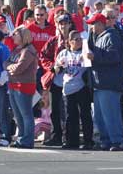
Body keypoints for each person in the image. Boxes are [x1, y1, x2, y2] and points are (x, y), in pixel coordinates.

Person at [86, 13, 123, 151]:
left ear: (100, 24)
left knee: (111, 114)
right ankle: (106, 140)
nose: (91, 27)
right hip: (99, 83)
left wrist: (95, 56)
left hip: (109, 83)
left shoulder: (111, 36)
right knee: (100, 116)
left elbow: (115, 56)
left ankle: (117, 140)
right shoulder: (98, 37)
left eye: (93, 24)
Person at [55, 31, 93, 150]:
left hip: (82, 87)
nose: (79, 41)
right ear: (69, 42)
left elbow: (90, 65)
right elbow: (55, 69)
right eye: (76, 39)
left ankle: (88, 141)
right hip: (68, 88)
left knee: (85, 114)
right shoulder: (64, 53)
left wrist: (87, 57)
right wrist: (59, 66)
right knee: (70, 116)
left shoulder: (84, 52)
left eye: (80, 39)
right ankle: (71, 140)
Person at [39, 13, 72, 146]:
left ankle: (69, 136)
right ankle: (56, 135)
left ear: (70, 24)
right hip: (56, 79)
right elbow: (43, 56)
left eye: (65, 23)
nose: (63, 26)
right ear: (57, 25)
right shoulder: (53, 41)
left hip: (72, 79)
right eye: (60, 23)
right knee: (55, 109)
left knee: (69, 110)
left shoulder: (75, 39)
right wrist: (52, 67)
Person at [4, 26, 38, 149]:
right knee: (18, 115)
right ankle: (21, 138)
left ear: (23, 36)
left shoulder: (29, 50)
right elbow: (5, 63)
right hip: (13, 84)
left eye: (15, 34)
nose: (13, 37)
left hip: (24, 85)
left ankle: (27, 140)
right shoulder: (16, 50)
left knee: (26, 114)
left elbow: (20, 67)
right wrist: (11, 67)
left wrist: (12, 67)